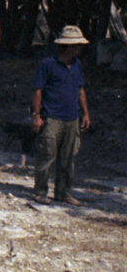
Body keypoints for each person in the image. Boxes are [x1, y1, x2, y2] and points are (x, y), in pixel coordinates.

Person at [30, 25, 91, 205]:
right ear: (68, 46)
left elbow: (81, 90)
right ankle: (40, 192)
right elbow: (37, 90)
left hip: (71, 119)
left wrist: (85, 114)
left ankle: (63, 192)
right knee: (46, 156)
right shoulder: (48, 64)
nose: (80, 48)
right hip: (51, 118)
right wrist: (36, 115)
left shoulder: (77, 65)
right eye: (77, 45)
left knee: (68, 158)